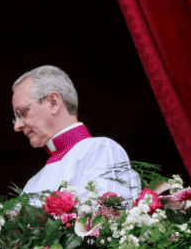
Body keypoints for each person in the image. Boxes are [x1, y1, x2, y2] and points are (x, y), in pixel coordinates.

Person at [12, 65, 141, 205]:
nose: (17, 126)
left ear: (53, 102)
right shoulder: (32, 183)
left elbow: (108, 221)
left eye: (22, 112)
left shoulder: (100, 149)